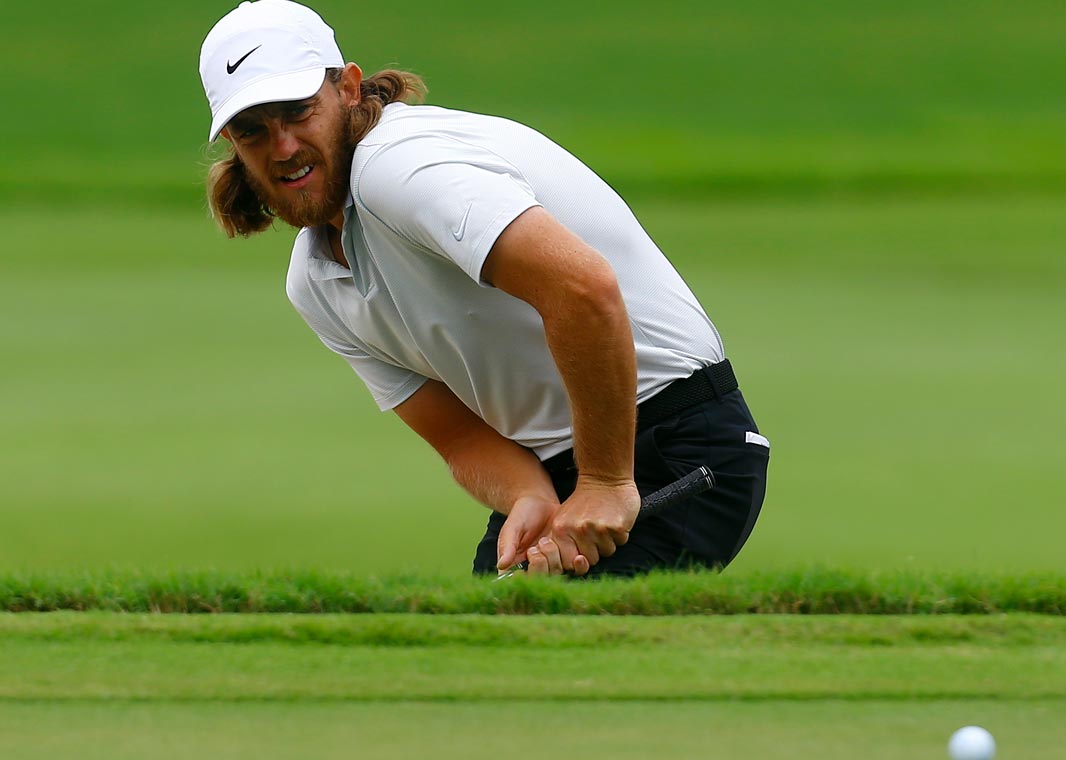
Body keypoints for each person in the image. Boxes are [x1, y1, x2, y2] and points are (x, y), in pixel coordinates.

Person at [198, 0, 769, 577]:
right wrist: (528, 496)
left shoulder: (397, 166)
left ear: (347, 88)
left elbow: (582, 289)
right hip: (566, 469)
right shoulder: (314, 280)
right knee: (489, 627)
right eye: (252, 131)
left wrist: (604, 482)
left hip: (675, 443)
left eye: (298, 112)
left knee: (545, 635)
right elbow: (458, 437)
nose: (283, 147)